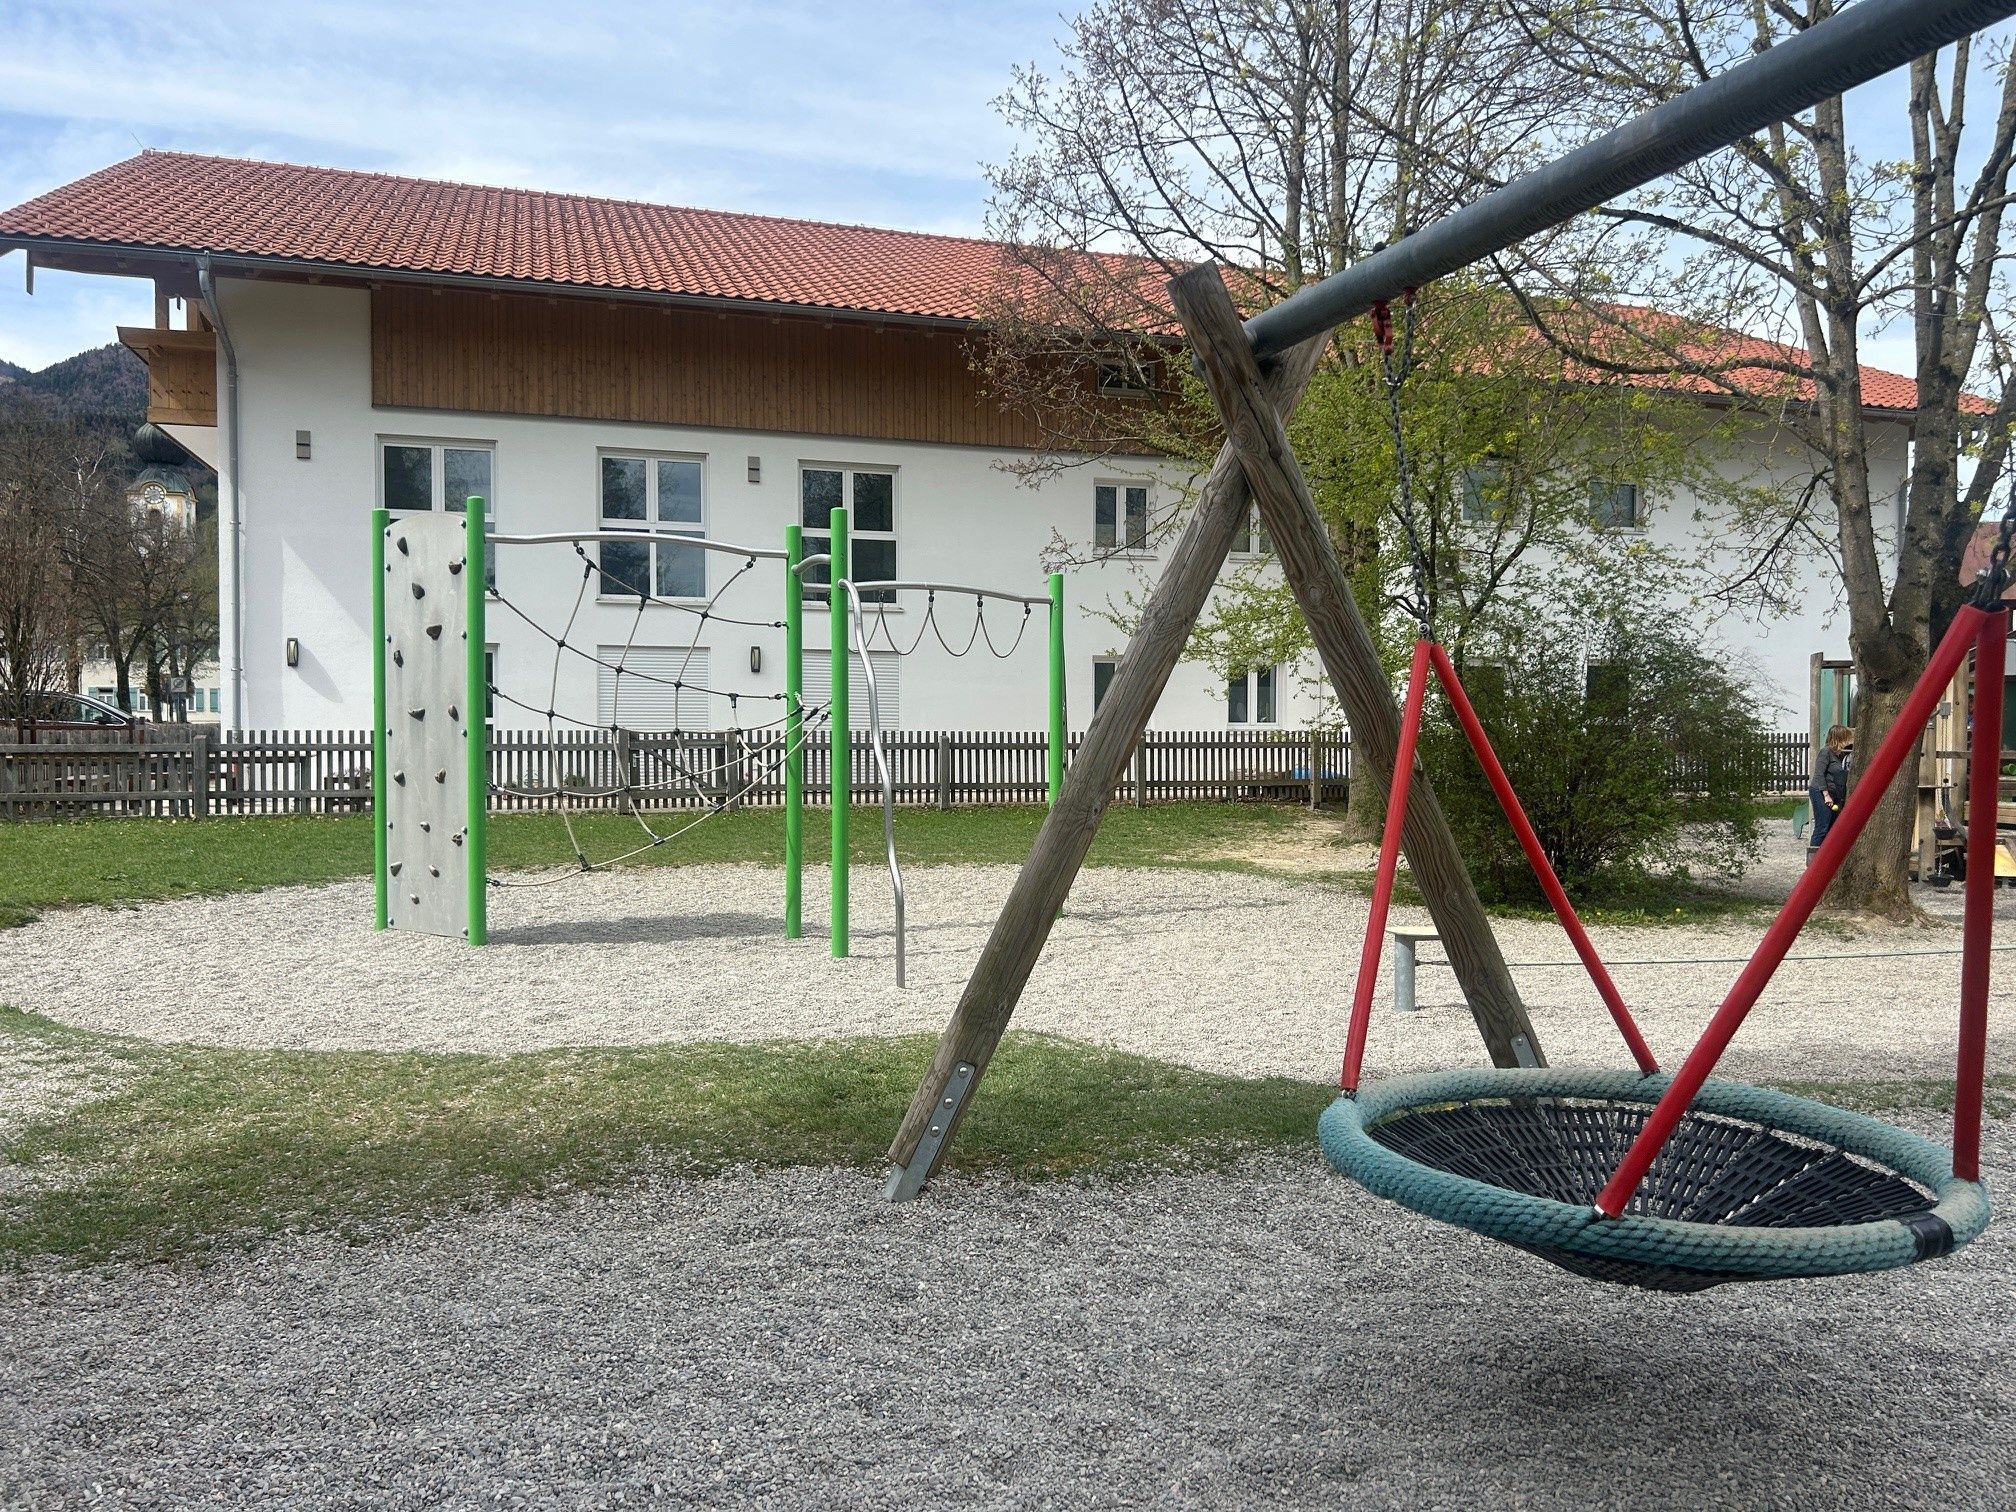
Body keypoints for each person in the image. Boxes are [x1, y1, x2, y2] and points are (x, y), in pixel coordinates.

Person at [1809, 724, 1853, 862]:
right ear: (1839, 738)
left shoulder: (1841, 755)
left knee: (1833, 828)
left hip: (1834, 795)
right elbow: (1819, 775)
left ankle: (1826, 859)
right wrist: (1826, 795)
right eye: (1846, 738)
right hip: (1820, 791)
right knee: (1822, 826)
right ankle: (1813, 860)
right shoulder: (1826, 752)